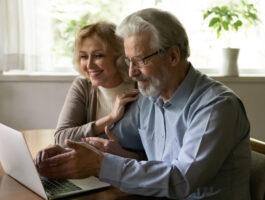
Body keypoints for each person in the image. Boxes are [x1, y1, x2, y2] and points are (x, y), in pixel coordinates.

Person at [35, 8, 251, 199]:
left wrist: (99, 164)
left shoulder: (216, 106)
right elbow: (106, 139)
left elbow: (181, 180)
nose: (131, 72)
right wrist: (64, 152)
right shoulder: (149, 98)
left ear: (173, 56)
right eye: (129, 61)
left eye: (140, 60)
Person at [53, 22, 143, 158]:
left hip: (129, 175)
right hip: (90, 172)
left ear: (120, 57)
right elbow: (61, 138)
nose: (89, 65)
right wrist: (110, 118)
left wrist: (122, 154)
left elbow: (156, 156)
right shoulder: (83, 86)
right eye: (83, 56)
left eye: (98, 56)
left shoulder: (142, 87)